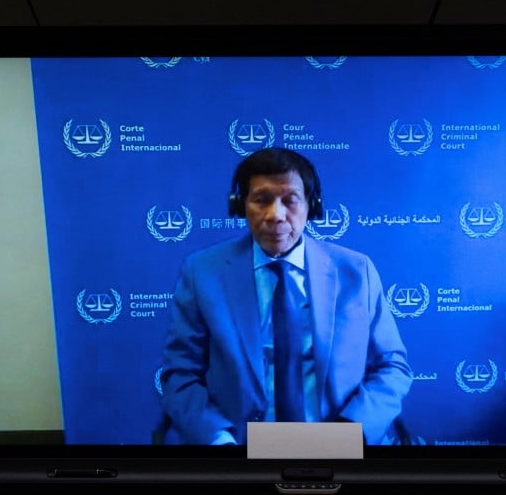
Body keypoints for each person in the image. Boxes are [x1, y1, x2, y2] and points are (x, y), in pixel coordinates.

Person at [160, 148, 412, 445]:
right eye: (261, 200)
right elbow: (180, 374)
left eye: (290, 201)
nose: (275, 215)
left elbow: (392, 366)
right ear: (240, 206)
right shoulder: (202, 273)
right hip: (240, 447)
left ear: (311, 206)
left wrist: (351, 433)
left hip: (339, 444)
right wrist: (219, 439)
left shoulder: (356, 272)